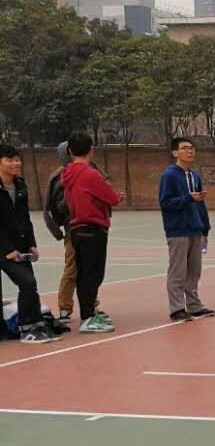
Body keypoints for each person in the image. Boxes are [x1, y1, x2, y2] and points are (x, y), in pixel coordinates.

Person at [61, 132, 122, 334]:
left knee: (84, 274)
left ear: (70, 151)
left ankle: (88, 314)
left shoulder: (67, 173)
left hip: (76, 228)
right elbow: (111, 198)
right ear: (91, 150)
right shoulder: (90, 174)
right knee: (93, 275)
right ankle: (87, 318)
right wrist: (117, 196)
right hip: (93, 228)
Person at [0, 143, 57, 343]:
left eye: (17, 159)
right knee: (27, 282)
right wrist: (8, 249)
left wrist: (31, 244)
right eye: (9, 159)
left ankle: (35, 324)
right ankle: (25, 329)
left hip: (19, 245)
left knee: (30, 284)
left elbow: (24, 218)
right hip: (3, 248)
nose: (15, 163)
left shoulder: (20, 185)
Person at [158, 137, 215, 322]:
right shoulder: (169, 175)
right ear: (175, 152)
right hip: (178, 230)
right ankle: (177, 308)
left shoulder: (195, 175)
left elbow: (200, 204)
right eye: (185, 148)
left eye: (192, 148)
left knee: (194, 271)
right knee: (178, 271)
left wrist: (205, 228)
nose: (190, 151)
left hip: (195, 229)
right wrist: (188, 198)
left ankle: (194, 305)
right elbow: (165, 203)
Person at [42, 141, 79, 323]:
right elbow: (56, 207)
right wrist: (74, 197)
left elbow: (105, 185)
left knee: (90, 271)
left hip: (93, 229)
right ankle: (65, 308)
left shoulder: (90, 169)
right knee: (71, 270)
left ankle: (92, 305)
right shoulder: (60, 177)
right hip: (73, 230)